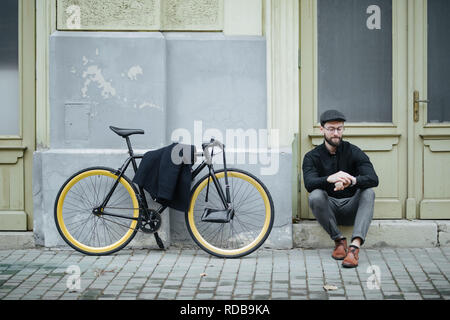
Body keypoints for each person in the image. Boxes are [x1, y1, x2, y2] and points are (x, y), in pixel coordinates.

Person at [302, 110, 379, 268]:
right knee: (315, 195)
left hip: (352, 208)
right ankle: (339, 240)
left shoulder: (354, 151)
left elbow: (373, 179)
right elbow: (309, 183)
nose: (336, 133)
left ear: (343, 129)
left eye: (339, 129)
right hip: (328, 211)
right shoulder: (311, 156)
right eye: (331, 129)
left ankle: (354, 248)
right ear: (321, 129)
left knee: (369, 192)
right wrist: (329, 179)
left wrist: (351, 181)